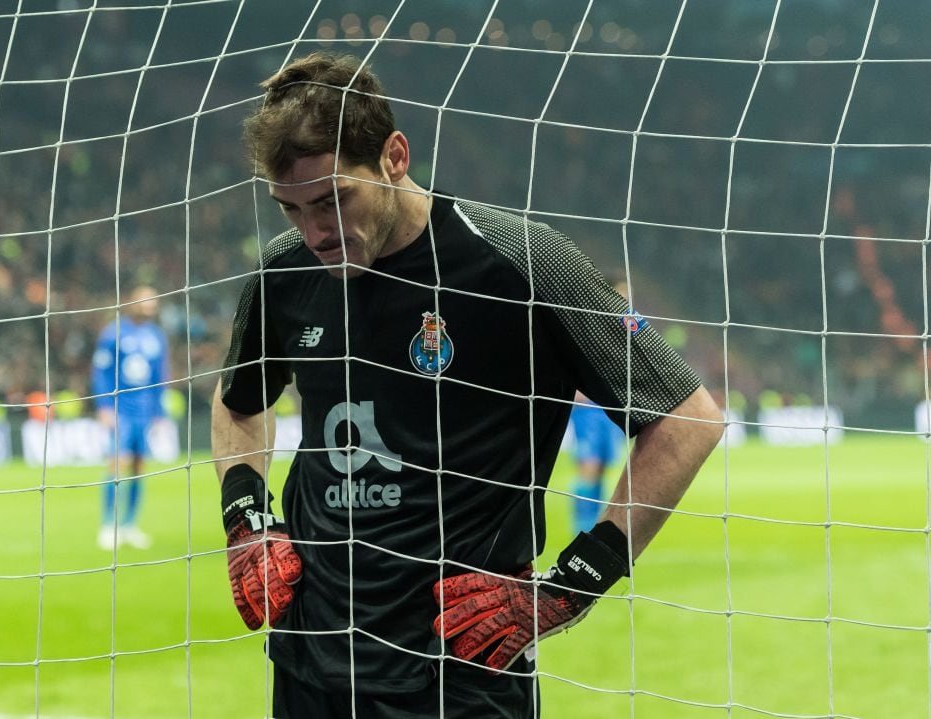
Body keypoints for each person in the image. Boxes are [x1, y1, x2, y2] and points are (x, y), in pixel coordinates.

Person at [212, 52, 723, 719]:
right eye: (292, 208)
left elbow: (688, 418)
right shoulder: (284, 275)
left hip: (466, 670)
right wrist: (247, 517)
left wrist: (575, 582)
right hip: (311, 657)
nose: (314, 231)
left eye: (334, 200)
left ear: (394, 156)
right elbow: (237, 404)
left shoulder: (518, 261)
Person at [91, 285, 169, 550]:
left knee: (138, 467)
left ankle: (129, 525)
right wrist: (103, 406)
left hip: (145, 412)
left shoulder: (156, 336)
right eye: (144, 302)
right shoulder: (113, 332)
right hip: (119, 409)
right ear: (132, 303)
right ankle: (107, 526)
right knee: (116, 465)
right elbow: (100, 371)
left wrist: (159, 413)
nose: (148, 308)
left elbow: (160, 376)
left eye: (152, 304)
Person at [567, 390, 625, 533]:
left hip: (609, 408)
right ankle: (581, 528)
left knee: (600, 471)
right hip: (587, 410)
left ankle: (595, 523)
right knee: (589, 470)